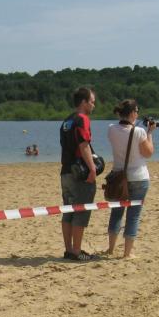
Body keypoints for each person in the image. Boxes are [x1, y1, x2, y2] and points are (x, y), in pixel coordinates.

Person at [105, 99, 153, 259]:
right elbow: (148, 153)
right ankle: (127, 252)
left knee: (116, 212)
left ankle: (111, 249)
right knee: (133, 215)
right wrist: (150, 133)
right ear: (132, 113)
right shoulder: (139, 132)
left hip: (119, 177)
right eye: (137, 111)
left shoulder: (111, 129)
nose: (137, 114)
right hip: (138, 177)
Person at [59, 87, 98, 261]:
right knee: (81, 211)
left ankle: (68, 249)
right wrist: (92, 168)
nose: (94, 105)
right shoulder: (82, 119)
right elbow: (84, 145)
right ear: (83, 102)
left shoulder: (66, 121)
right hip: (79, 173)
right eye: (92, 102)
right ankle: (76, 251)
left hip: (65, 172)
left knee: (68, 211)